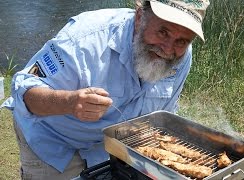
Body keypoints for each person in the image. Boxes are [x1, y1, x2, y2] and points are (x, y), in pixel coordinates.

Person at [1, 0, 210, 179]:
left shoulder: (181, 58)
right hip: (54, 141)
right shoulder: (84, 39)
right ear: (140, 17)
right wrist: (70, 102)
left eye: (181, 41)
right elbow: (24, 91)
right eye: (163, 32)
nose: (168, 49)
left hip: (110, 148)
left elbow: (162, 116)